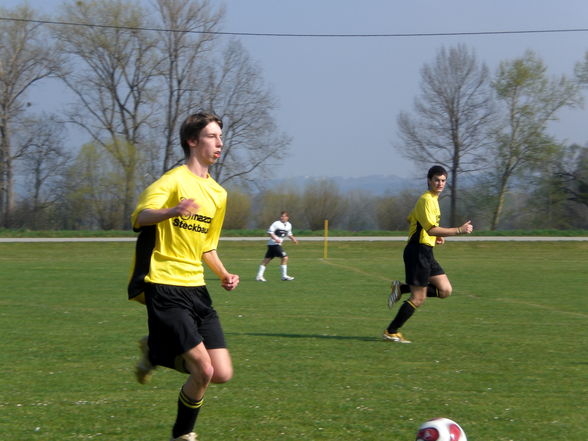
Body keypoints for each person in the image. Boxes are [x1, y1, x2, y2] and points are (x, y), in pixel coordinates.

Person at [127, 112, 240, 441]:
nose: (219, 143)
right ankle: (183, 435)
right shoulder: (173, 181)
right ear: (193, 141)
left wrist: (223, 273)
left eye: (220, 136)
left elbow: (207, 246)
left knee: (220, 373)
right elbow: (140, 216)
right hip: (164, 284)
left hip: (197, 289)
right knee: (203, 369)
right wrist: (172, 211)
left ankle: (156, 352)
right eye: (212, 136)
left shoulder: (218, 194)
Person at [383, 165, 473, 344]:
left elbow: (412, 219)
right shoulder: (426, 199)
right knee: (418, 298)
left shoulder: (433, 199)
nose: (440, 183)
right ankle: (391, 331)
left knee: (445, 290)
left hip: (426, 251)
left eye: (443, 180)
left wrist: (436, 236)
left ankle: (401, 288)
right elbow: (430, 228)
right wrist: (459, 230)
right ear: (429, 181)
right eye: (436, 180)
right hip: (417, 252)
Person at [255, 211, 298, 281]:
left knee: (266, 260)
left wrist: (293, 239)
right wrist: (276, 239)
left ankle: (259, 276)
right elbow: (270, 232)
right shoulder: (276, 223)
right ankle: (284, 276)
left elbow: (289, 234)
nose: (282, 217)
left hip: (273, 245)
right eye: (281, 216)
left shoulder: (289, 225)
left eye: (284, 216)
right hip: (274, 244)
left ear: (287, 217)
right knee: (285, 257)